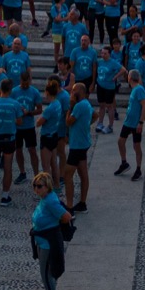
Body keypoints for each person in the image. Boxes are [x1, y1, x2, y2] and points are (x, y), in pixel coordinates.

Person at [30, 171, 73, 290]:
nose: (36, 189)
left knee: (46, 276)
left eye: (39, 186)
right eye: (34, 186)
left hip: (48, 244)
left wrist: (53, 228)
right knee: (47, 274)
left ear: (47, 187)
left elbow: (67, 217)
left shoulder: (50, 201)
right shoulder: (45, 198)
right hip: (42, 242)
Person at [63, 82, 92, 213]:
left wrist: (70, 106)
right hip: (83, 142)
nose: (71, 93)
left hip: (77, 145)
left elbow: (68, 122)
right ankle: (83, 203)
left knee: (67, 175)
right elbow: (95, 115)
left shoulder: (79, 106)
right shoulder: (87, 103)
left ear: (78, 92)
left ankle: (69, 207)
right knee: (83, 173)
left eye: (73, 90)